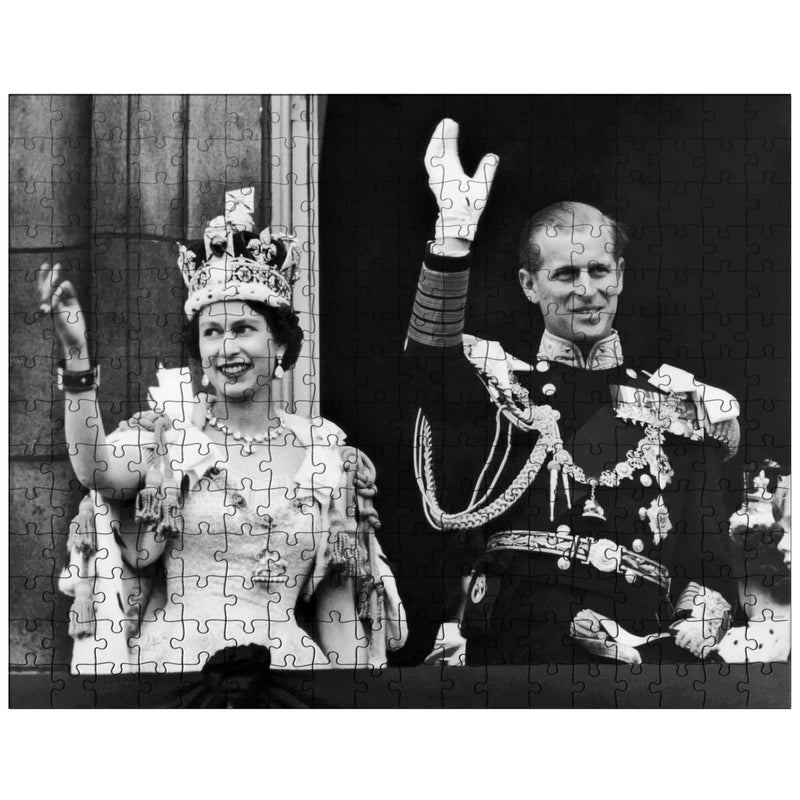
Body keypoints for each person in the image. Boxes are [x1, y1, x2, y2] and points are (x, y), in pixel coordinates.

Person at [407, 119, 740, 665]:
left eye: (598, 270)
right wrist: (452, 238)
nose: (586, 290)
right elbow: (427, 369)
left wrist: (692, 625)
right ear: (528, 285)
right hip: (519, 648)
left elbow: (708, 560)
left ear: (621, 275)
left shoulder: (678, 408)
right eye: (565, 275)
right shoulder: (504, 390)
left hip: (640, 658)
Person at [45, 189, 406, 674]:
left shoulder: (325, 454)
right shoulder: (170, 438)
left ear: (279, 344)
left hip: (289, 680)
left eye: (243, 328)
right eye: (212, 332)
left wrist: (357, 711)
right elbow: (96, 470)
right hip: (178, 676)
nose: (226, 347)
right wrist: (77, 359)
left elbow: (337, 612)